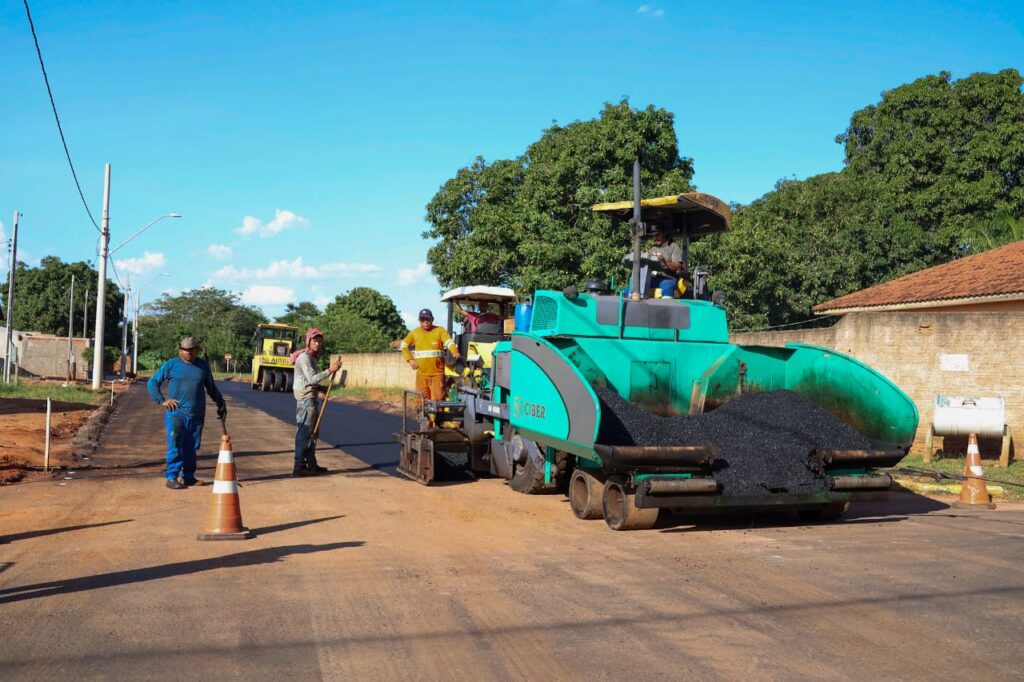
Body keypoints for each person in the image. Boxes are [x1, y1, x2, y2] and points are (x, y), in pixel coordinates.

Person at [147, 336, 226, 490]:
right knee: (176, 445)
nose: (188, 353)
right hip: (176, 413)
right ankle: (171, 477)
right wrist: (162, 400)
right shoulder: (171, 365)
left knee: (192, 446)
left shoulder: (203, 366)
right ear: (180, 350)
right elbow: (153, 382)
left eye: (191, 349)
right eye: (185, 350)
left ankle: (189, 477)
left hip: (196, 414)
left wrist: (220, 402)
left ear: (197, 350)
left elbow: (211, 387)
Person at [291, 327, 341, 477]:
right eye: (315, 341)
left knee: (313, 433)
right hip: (305, 401)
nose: (318, 344)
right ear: (309, 342)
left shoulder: (312, 358)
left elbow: (309, 381)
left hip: (310, 398)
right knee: (305, 433)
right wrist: (330, 370)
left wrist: (321, 388)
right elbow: (311, 379)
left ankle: (311, 464)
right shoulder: (305, 358)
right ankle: (299, 466)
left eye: (320, 341)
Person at [400, 308, 460, 402]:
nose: (425, 322)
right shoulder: (415, 333)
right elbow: (403, 346)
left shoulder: (440, 330)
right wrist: (410, 360)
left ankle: (438, 417)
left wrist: (455, 351)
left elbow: (449, 342)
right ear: (419, 321)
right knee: (421, 402)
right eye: (423, 320)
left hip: (437, 375)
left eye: (427, 319)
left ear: (432, 319)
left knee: (438, 403)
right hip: (421, 375)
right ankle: (423, 416)